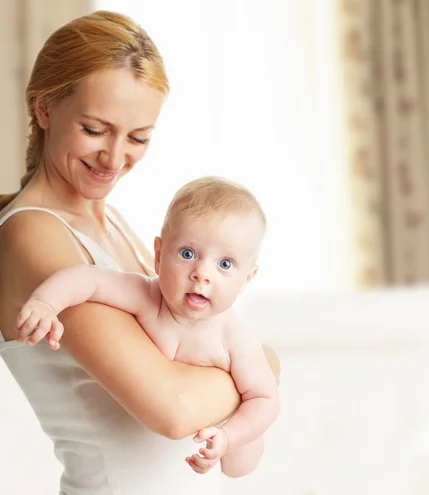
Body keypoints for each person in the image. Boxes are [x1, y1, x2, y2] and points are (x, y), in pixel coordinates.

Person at [0, 10, 279, 494]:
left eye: (138, 137)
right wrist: (265, 368)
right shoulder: (33, 234)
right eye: (94, 129)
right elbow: (172, 409)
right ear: (44, 109)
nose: (114, 157)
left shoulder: (115, 224)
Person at [15, 176, 280, 478]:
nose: (202, 274)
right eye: (187, 254)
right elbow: (88, 279)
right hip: (142, 461)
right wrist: (46, 303)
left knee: (239, 464)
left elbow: (265, 399)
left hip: (212, 439)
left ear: (247, 278)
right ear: (159, 254)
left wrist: (230, 436)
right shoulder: (146, 296)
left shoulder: (233, 335)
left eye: (225, 264)